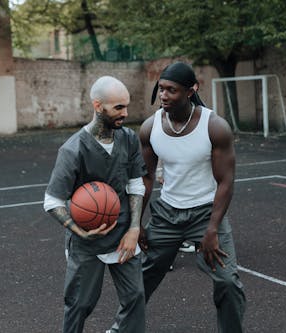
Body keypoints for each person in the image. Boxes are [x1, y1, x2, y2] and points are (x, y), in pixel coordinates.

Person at [109, 62, 246, 333]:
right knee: (141, 278)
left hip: (205, 212)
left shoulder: (215, 126)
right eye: (161, 89)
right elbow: (145, 178)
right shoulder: (150, 128)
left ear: (191, 90)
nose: (164, 95)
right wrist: (137, 223)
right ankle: (121, 329)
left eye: (172, 90)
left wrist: (212, 228)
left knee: (228, 281)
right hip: (167, 214)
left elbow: (226, 181)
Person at [44, 76, 147, 333]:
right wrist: (80, 231)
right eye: (118, 108)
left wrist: (134, 228)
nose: (125, 113)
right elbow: (52, 201)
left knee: (135, 298)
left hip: (123, 232)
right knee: (79, 305)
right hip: (87, 240)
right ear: (98, 105)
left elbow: (136, 184)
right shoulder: (73, 150)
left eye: (126, 106)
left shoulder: (129, 139)